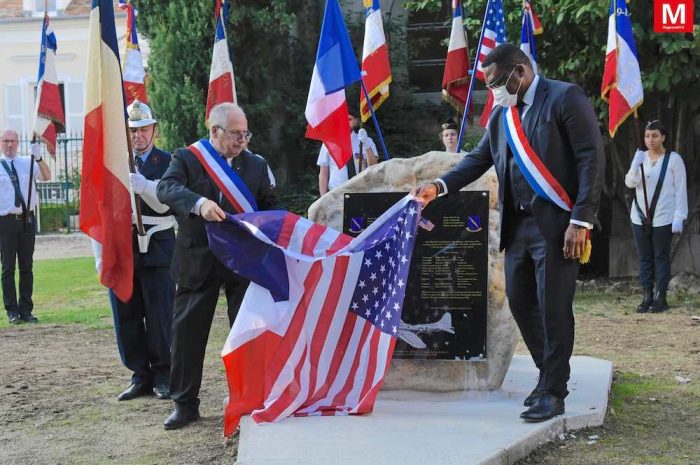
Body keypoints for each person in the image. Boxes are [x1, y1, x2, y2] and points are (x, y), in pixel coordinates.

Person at [413, 44, 604, 422]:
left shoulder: (565, 98)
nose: (494, 92)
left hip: (559, 227)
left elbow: (590, 157)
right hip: (518, 228)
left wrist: (580, 221)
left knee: (553, 310)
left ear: (519, 72)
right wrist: (438, 186)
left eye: (498, 83)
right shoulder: (503, 116)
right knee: (521, 303)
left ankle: (554, 390)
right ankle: (547, 374)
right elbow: (476, 160)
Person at [157, 102, 280, 430]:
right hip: (198, 259)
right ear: (215, 131)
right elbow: (166, 188)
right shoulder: (187, 158)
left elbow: (271, 205)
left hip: (243, 262)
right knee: (187, 334)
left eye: (246, 133)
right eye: (237, 134)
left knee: (247, 332)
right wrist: (199, 204)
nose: (243, 140)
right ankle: (184, 404)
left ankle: (248, 397)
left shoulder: (255, 164)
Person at [110, 101, 177, 402]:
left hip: (159, 242)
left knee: (160, 313)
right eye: (132, 130)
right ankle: (140, 375)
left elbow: (166, 203)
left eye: (143, 129)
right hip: (125, 244)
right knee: (127, 311)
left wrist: (146, 186)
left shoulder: (168, 161)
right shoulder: (117, 161)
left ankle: (164, 374)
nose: (137, 136)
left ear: (154, 130)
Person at [625, 119, 687, 313]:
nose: (650, 140)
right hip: (640, 216)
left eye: (654, 136)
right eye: (647, 136)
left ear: (663, 137)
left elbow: (680, 189)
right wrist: (635, 166)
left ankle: (661, 297)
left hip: (663, 216)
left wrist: (679, 216)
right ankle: (647, 295)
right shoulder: (640, 157)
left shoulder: (673, 159)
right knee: (645, 257)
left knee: (660, 257)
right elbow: (629, 183)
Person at [0, 129, 50, 324]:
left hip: (27, 220)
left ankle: (26, 309)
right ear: (0, 143)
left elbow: (46, 176)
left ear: (18, 143)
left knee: (26, 267)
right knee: (8, 268)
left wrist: (38, 158)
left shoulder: (27, 163)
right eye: (5, 141)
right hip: (5, 221)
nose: (9, 145)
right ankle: (12, 311)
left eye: (12, 141)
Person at [317, 111, 378, 195]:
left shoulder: (366, 140)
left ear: (355, 122)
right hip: (336, 194)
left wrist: (366, 145)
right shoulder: (329, 142)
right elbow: (323, 172)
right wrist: (322, 198)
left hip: (361, 191)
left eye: (349, 119)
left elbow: (374, 167)